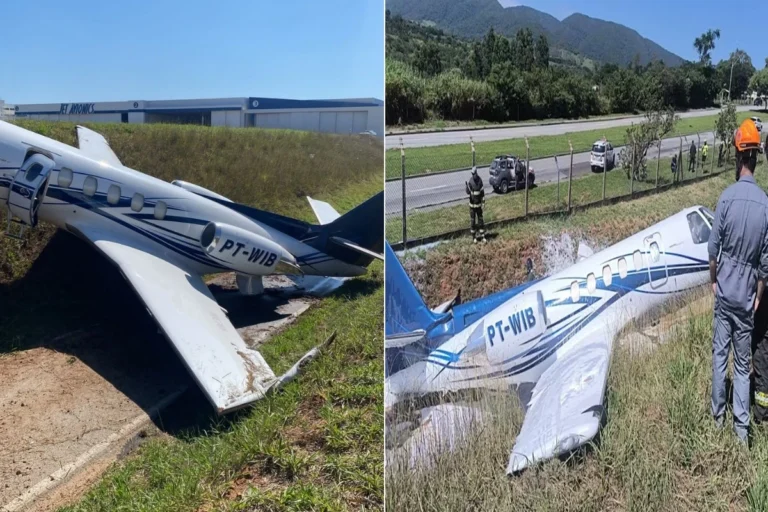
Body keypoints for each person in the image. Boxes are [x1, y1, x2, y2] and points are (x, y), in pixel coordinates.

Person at [708, 118, 768, 443]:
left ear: (738, 157)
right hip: (746, 301)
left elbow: (713, 250)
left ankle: (717, 419)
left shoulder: (726, 198)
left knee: (720, 356)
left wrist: (714, 282)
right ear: (755, 159)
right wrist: (757, 296)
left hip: (725, 296)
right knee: (743, 366)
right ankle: (741, 432)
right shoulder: (766, 206)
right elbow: (765, 266)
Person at [465, 167, 486, 243]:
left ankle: (482, 235)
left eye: (474, 173)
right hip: (472, 206)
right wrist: (467, 187)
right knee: (473, 221)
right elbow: (467, 192)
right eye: (472, 174)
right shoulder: (470, 181)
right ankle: (474, 237)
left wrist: (483, 203)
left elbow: (482, 193)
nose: (473, 175)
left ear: (476, 173)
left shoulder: (480, 181)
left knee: (480, 220)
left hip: (478, 205)